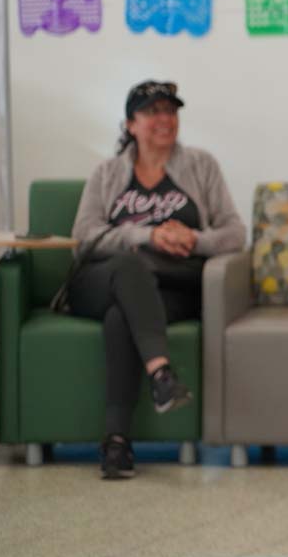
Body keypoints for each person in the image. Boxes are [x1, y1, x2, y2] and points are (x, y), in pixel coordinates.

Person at [70, 80, 246, 480]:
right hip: (104, 279)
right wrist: (147, 235)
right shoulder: (107, 172)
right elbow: (83, 236)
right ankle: (161, 373)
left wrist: (193, 238)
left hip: (171, 288)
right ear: (131, 123)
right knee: (130, 268)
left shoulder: (201, 165)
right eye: (153, 112)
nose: (164, 120)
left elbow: (235, 232)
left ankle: (116, 443)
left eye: (171, 111)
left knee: (122, 318)